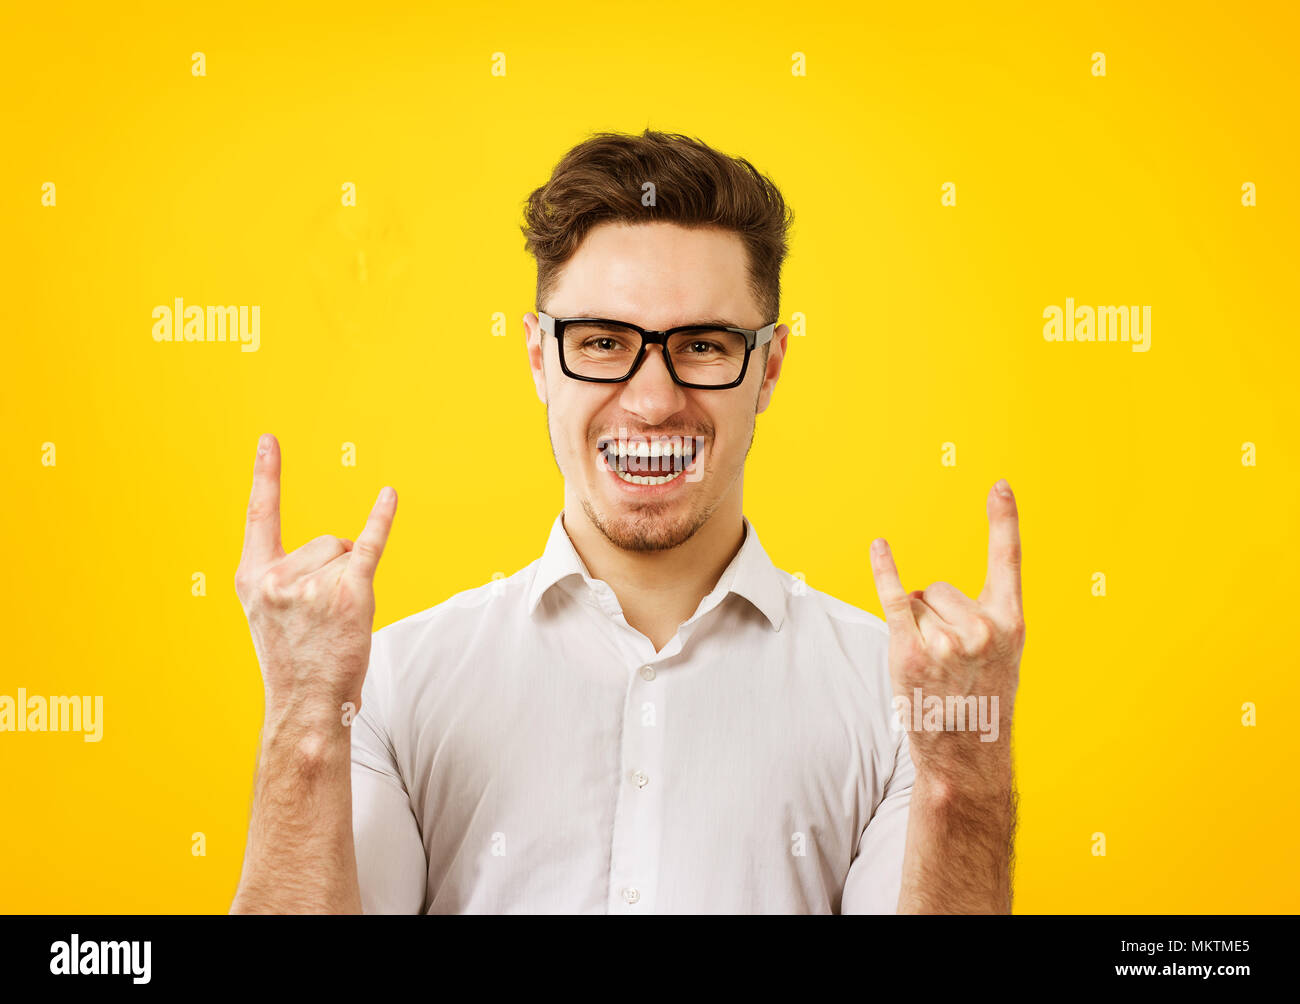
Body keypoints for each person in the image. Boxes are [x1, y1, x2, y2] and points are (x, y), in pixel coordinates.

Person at [229, 129, 1025, 914]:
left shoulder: (901, 711)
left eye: (705, 346)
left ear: (769, 368)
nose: (652, 401)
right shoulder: (390, 689)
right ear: (540, 358)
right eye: (603, 342)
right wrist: (304, 718)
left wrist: (968, 775)